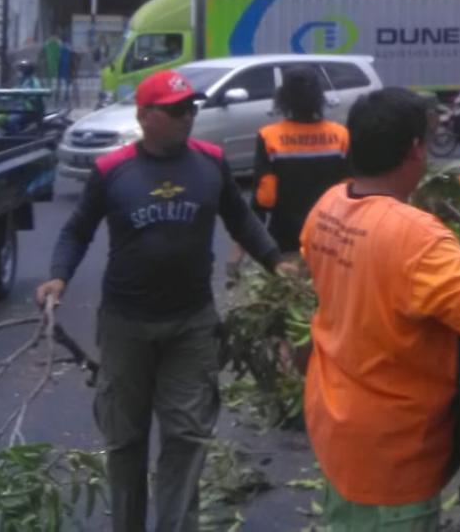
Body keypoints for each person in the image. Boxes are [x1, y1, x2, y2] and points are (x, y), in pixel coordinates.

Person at [36, 69, 283, 532]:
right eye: (176, 110)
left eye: (191, 107)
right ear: (145, 116)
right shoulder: (112, 170)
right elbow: (77, 230)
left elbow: (241, 220)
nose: (188, 116)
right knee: (125, 440)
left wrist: (275, 263)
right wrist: (58, 277)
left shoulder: (211, 162)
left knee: (187, 436)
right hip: (126, 324)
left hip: (192, 323)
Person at [301, 88, 460, 529]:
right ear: (415, 149)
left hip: (336, 426)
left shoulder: (328, 207)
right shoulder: (415, 237)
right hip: (392, 448)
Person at [252, 67, 349, 254]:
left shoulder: (269, 137)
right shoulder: (341, 135)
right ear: (319, 96)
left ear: (283, 98)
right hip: (331, 238)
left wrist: (243, 250)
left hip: (285, 238)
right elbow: (349, 192)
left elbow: (265, 198)